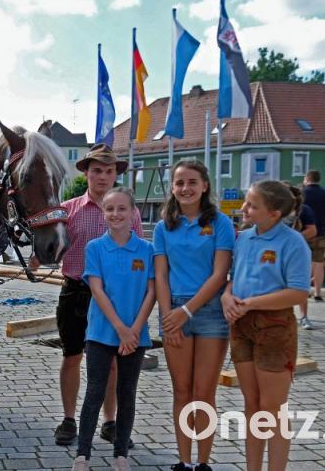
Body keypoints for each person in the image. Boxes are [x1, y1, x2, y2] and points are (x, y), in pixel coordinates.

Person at [54, 143, 143, 447]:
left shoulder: (130, 212)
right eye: (97, 170)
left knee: (113, 362)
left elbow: (139, 256)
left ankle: (110, 421)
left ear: (115, 174)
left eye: (109, 171)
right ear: (87, 173)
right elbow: (53, 248)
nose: (103, 176)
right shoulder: (68, 209)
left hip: (115, 299)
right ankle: (68, 419)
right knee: (71, 356)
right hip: (76, 293)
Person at [222, 180, 310, 471]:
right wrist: (227, 296)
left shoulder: (293, 242)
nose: (244, 209)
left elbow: (298, 293)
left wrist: (251, 304)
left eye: (252, 205)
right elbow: (235, 277)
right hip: (241, 325)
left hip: (274, 326)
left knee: (273, 408)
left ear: (273, 213)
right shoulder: (244, 238)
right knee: (252, 404)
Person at [154, 161, 234, 471]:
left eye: (191, 182)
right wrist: (168, 317)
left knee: (204, 392)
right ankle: (184, 460)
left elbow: (219, 274)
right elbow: (161, 275)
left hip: (210, 311)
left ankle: (203, 462)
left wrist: (187, 311)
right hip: (174, 311)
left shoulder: (221, 223)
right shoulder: (164, 226)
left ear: (204, 186)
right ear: (172, 188)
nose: (185, 188)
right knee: (182, 391)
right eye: (179, 183)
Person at [70, 187, 155, 471]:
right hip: (101, 333)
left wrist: (135, 330)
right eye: (110, 209)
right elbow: (97, 290)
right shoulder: (95, 247)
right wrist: (121, 329)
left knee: (127, 393)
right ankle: (82, 454)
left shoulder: (147, 249)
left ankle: (121, 454)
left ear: (133, 213)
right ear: (103, 214)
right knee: (94, 392)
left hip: (135, 335)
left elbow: (152, 293)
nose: (116, 214)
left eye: (122, 209)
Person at [281, 183, 317, 330]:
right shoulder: (271, 208)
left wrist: (294, 238)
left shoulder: (303, 209)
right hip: (273, 250)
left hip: (295, 250)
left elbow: (313, 230)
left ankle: (303, 316)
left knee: (299, 283)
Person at [302, 170, 325, 302]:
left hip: (303, 233)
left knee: (302, 263)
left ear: (307, 179)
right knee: (318, 263)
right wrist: (324, 218)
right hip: (320, 233)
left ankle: (303, 290)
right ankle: (317, 293)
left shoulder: (301, 193)